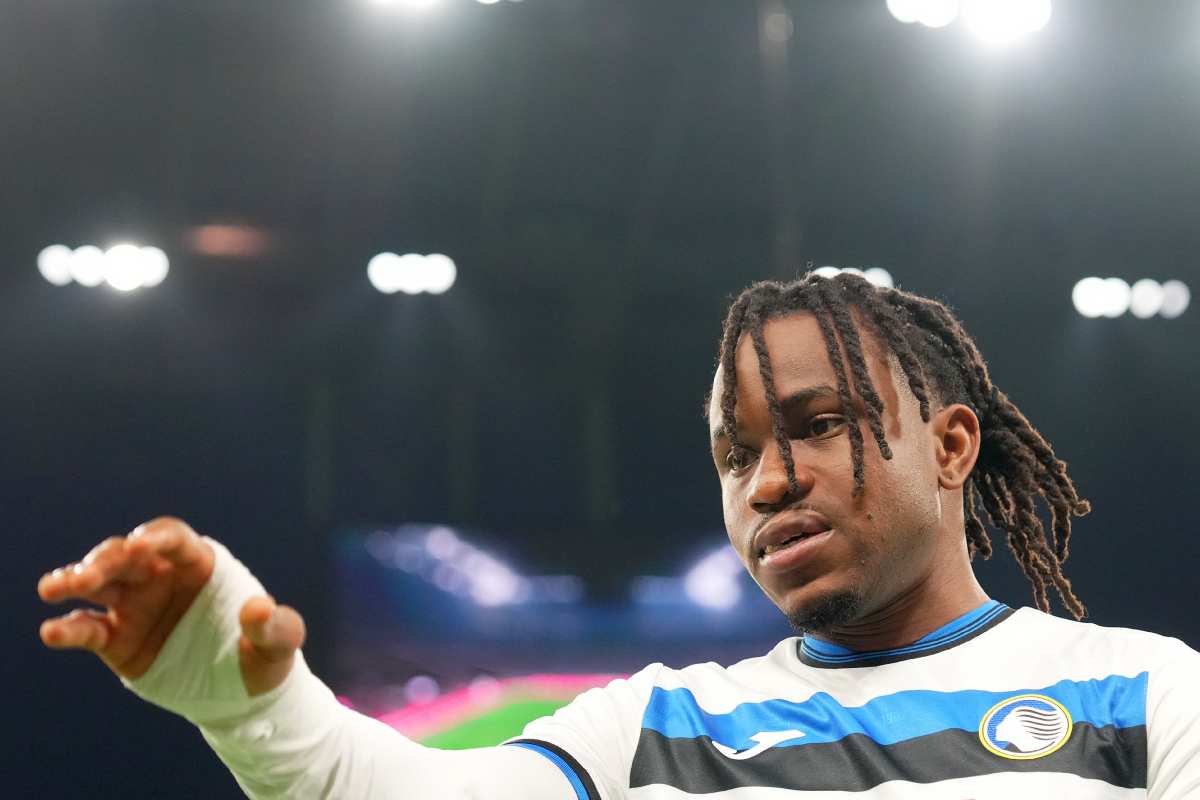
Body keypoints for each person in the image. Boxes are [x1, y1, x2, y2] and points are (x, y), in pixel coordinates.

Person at [38, 272, 1200, 798]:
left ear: (950, 445)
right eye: (735, 454)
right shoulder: (652, 732)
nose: (769, 482)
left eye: (819, 424)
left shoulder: (1147, 696)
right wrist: (251, 708)